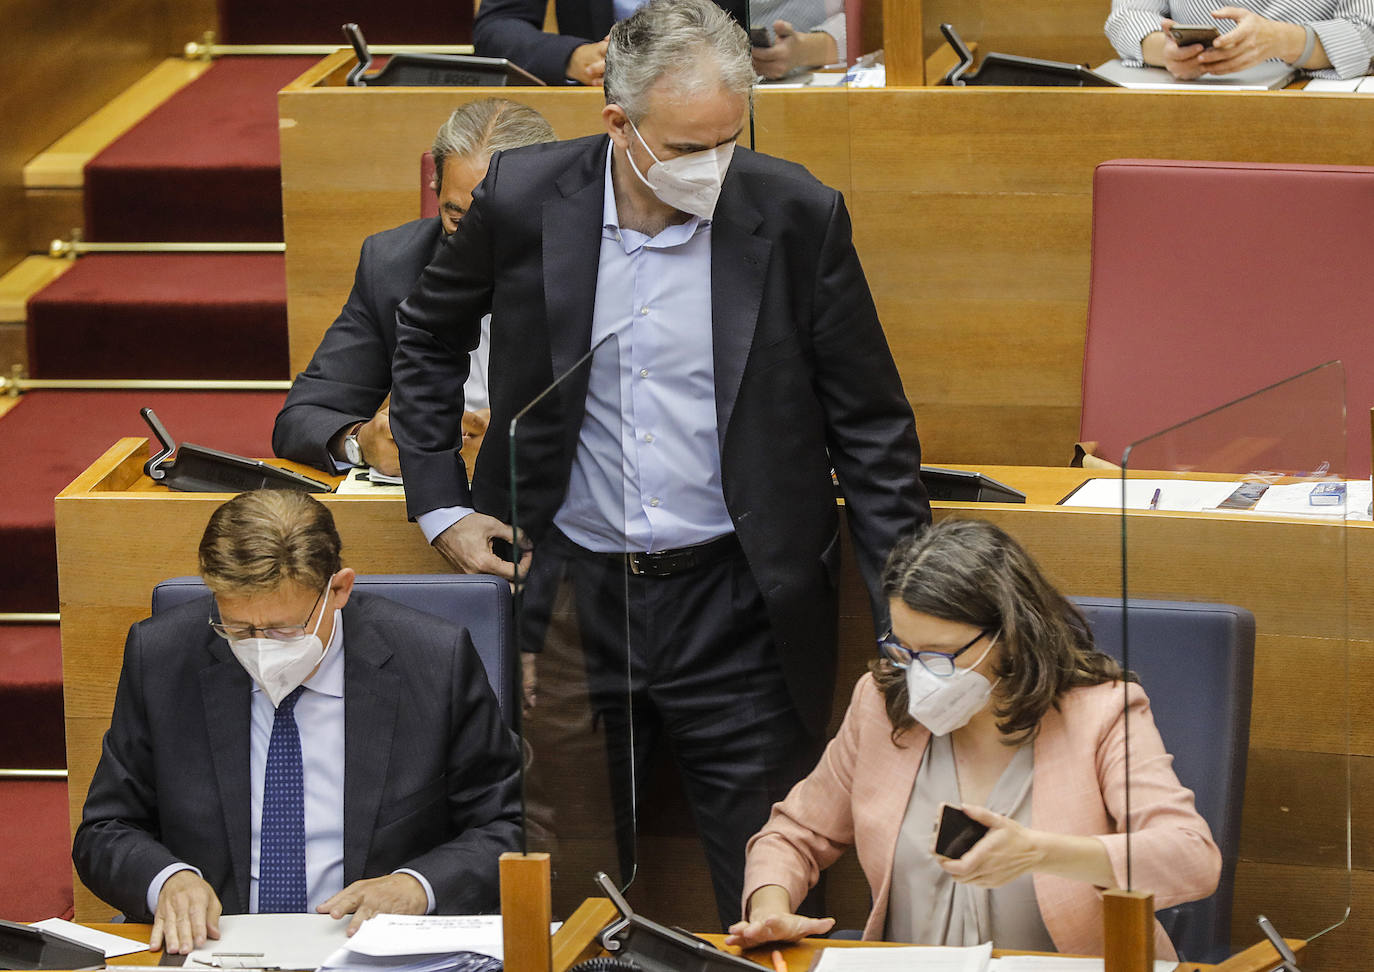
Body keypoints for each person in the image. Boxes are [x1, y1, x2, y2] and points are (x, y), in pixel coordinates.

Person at [389, 0, 929, 927]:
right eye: (685, 149)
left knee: (768, 883)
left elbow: (873, 435)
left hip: (739, 605)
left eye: (728, 140)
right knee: (562, 886)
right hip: (568, 600)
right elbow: (428, 336)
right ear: (617, 125)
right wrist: (439, 500)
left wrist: (906, 628)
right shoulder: (523, 198)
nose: (712, 169)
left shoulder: (795, 214)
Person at [726, 519, 1221, 958]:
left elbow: (1191, 857)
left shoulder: (1102, 711)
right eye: (906, 650)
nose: (918, 675)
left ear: (1009, 634)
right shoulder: (881, 702)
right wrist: (772, 905)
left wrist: (1041, 852)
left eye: (940, 655)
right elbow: (794, 835)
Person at [72, 490, 522, 954]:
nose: (261, 647)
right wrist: (167, 880)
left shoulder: (433, 660)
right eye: (240, 629)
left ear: (339, 590)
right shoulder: (164, 657)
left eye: (284, 630)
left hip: (372, 951)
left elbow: (509, 826)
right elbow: (105, 831)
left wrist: (416, 886)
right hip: (218, 951)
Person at [272, 99, 556, 476]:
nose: (476, 244)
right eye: (457, 220)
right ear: (435, 188)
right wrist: (361, 442)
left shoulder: (599, 260)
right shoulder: (393, 264)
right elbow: (304, 417)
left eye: (499, 223)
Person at [473, 0, 847, 84]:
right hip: (597, 112)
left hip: (724, 107)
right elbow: (497, 27)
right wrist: (576, 57)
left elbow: (856, 26)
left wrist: (804, 50)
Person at [1105, 1, 1374, 79]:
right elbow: (1129, 15)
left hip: (1312, 98)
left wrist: (1282, 40)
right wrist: (1166, 51)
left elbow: (1366, 31)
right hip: (1194, 93)